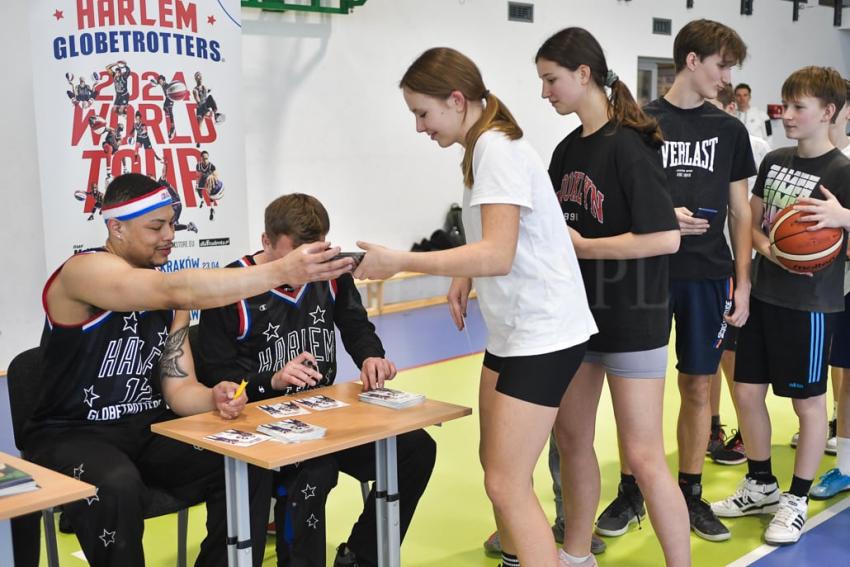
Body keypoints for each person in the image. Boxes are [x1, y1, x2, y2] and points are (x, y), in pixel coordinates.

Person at [21, 173, 355, 566]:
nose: (169, 235)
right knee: (118, 485)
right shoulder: (83, 271)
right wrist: (280, 271)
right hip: (71, 432)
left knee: (243, 463)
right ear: (116, 227)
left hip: (147, 428)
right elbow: (171, 289)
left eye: (172, 224)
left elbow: (178, 389)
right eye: (156, 226)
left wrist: (213, 398)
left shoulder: (169, 300)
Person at [355, 47, 597, 567]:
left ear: (457, 100)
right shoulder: (478, 146)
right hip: (515, 331)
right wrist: (463, 272)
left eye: (423, 113)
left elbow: (499, 251)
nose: (420, 127)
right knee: (497, 468)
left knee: (506, 482)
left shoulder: (497, 149)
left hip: (546, 332)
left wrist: (400, 260)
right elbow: (497, 236)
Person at [196, 193, 436, 567]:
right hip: (260, 428)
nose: (308, 266)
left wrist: (371, 356)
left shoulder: (333, 273)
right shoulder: (231, 286)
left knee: (416, 448)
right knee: (315, 471)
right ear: (266, 242)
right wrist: (270, 380)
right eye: (296, 257)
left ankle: (360, 555)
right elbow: (216, 376)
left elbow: (356, 326)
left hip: (325, 416)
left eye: (316, 253)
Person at [534, 27, 688, 566]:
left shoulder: (629, 144)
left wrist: (587, 248)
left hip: (634, 320)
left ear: (583, 74)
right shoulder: (566, 150)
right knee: (573, 444)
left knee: (643, 458)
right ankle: (577, 554)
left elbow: (666, 237)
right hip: (576, 322)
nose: (545, 92)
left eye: (552, 80)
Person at [597, 19, 755, 543]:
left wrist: (744, 282)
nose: (727, 77)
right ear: (692, 60)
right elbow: (619, 199)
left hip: (707, 276)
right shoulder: (639, 124)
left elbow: (739, 210)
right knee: (634, 390)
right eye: (722, 65)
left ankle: (689, 492)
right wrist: (665, 213)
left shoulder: (729, 129)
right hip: (644, 275)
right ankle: (631, 489)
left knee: (699, 385)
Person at [711, 66, 850, 545]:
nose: (786, 115)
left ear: (827, 113)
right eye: (785, 106)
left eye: (798, 108)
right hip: (762, 296)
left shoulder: (844, 172)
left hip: (810, 306)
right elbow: (748, 217)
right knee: (746, 393)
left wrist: (843, 216)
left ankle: (796, 499)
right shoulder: (774, 159)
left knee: (808, 403)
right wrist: (758, 265)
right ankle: (762, 484)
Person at [706, 85, 770, 466]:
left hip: (738, 261)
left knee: (732, 354)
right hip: (707, 264)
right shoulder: (698, 139)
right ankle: (713, 426)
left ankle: (746, 433)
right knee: (706, 356)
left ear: (731, 107)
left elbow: (754, 209)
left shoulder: (754, 145)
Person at [798, 77, 850, 501]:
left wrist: (844, 215)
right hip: (843, 289)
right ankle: (847, 467)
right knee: (847, 379)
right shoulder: (840, 163)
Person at [157, 160, 198, 233]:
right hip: (173, 206)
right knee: (172, 227)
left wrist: (165, 164)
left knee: (170, 226)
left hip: (175, 205)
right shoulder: (154, 190)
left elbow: (163, 173)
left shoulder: (160, 182)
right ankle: (186, 225)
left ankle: (188, 226)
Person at [195, 150, 219, 221]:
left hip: (209, 178)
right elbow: (198, 175)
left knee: (211, 193)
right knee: (198, 190)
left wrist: (214, 179)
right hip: (203, 178)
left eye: (207, 158)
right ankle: (202, 200)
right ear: (201, 158)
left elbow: (216, 174)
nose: (205, 160)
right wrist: (196, 184)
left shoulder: (211, 166)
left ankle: (212, 209)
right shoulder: (198, 165)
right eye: (204, 158)